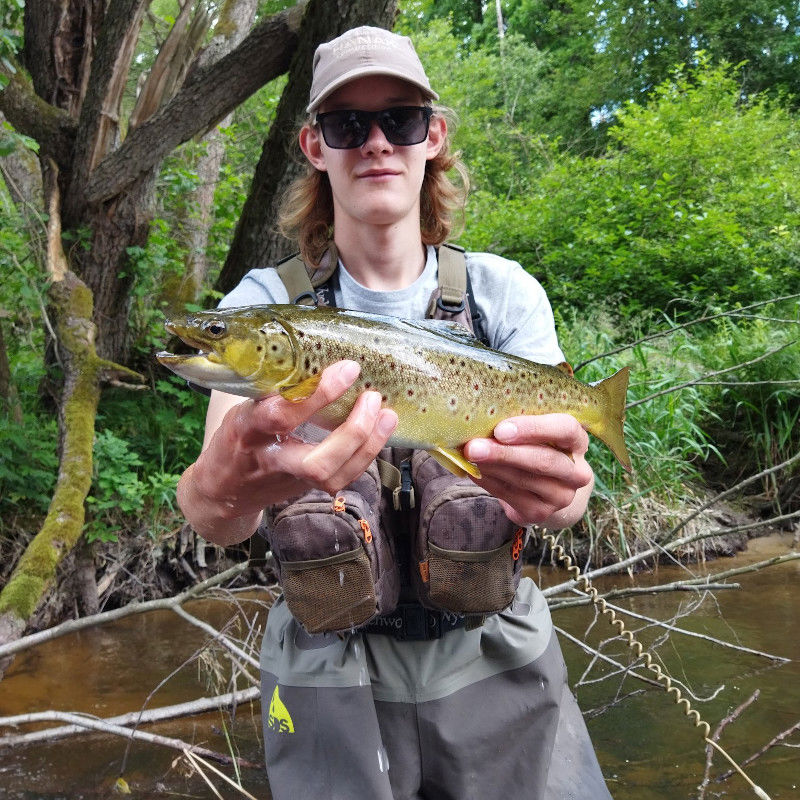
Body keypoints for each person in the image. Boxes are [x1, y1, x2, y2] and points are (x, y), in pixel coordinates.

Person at [177, 25, 613, 800]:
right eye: (347, 125)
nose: (375, 142)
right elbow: (214, 516)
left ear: (433, 136)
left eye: (400, 120)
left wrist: (567, 494)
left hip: (492, 649)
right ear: (314, 146)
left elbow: (567, 498)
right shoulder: (261, 307)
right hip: (326, 666)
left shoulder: (503, 294)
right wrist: (226, 486)